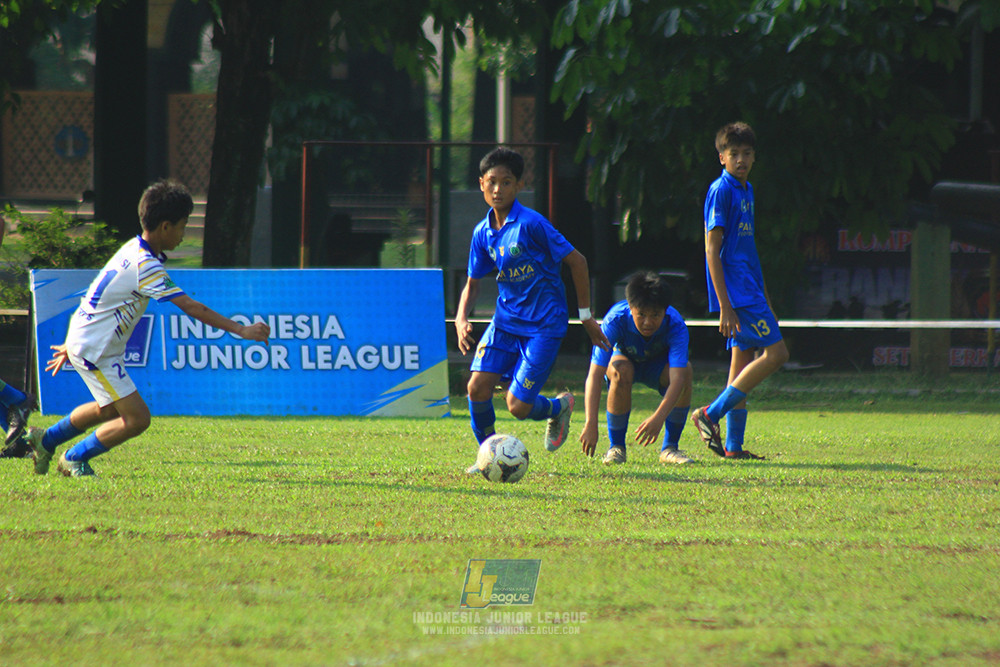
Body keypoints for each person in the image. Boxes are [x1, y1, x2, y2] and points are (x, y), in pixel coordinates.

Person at [26, 180, 270, 477]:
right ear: (165, 226)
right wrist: (240, 330)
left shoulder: (133, 248)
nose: (183, 235)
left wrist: (74, 340)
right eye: (182, 226)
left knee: (110, 410)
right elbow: (193, 307)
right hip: (96, 350)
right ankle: (74, 457)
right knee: (137, 419)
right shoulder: (146, 266)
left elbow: (96, 295)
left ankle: (46, 439)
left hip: (89, 343)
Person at [455, 147, 610, 470]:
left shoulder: (531, 224)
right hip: (505, 322)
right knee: (477, 387)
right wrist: (461, 317)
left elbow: (577, 262)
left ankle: (557, 408)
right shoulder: (482, 233)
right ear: (481, 183)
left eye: (506, 182)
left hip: (544, 325)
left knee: (517, 406)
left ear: (519, 186)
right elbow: (473, 282)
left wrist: (585, 317)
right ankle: (487, 457)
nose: (498, 189)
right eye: (492, 182)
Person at [691, 122, 789, 460]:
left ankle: (733, 447)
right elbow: (711, 250)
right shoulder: (721, 191)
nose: (741, 159)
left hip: (750, 289)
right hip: (737, 293)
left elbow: (748, 250)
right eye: (734, 154)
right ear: (722, 157)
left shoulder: (747, 191)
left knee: (741, 364)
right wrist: (725, 305)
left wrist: (767, 298)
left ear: (754, 157)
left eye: (747, 153)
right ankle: (710, 413)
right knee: (777, 355)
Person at [579, 271, 694, 466]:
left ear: (665, 311)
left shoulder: (676, 325)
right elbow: (595, 374)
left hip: (657, 366)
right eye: (641, 314)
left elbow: (678, 380)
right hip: (625, 360)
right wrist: (590, 422)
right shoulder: (615, 320)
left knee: (686, 371)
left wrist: (658, 417)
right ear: (631, 308)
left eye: (655, 315)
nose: (648, 322)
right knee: (620, 370)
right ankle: (616, 448)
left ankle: (670, 448)